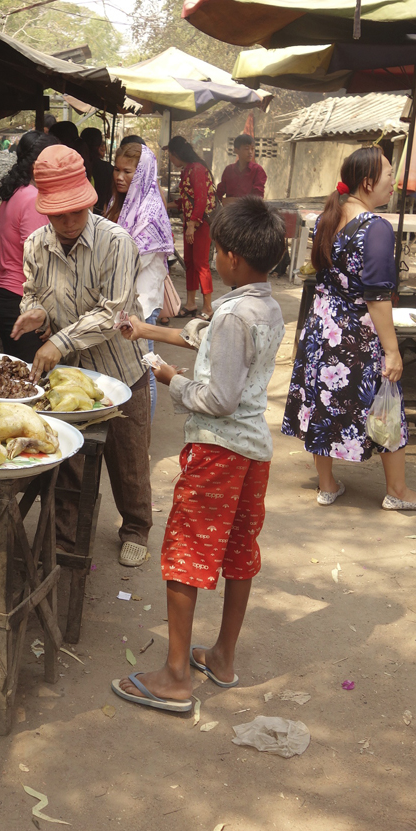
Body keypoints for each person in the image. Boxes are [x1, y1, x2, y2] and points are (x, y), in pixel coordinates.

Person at [110, 198, 287, 710]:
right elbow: (206, 340)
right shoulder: (264, 305)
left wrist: (171, 379)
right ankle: (222, 657)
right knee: (237, 552)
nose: (207, 258)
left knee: (186, 553)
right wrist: (145, 331)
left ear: (231, 257)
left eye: (214, 250)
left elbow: (218, 397)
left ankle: (175, 675)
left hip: (218, 451)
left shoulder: (233, 315)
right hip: (253, 452)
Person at [11, 144, 153, 567]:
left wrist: (59, 341)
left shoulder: (117, 242)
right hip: (66, 379)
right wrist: (34, 313)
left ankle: (136, 527)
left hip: (120, 371)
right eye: (58, 215)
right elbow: (32, 292)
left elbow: (113, 312)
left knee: (128, 459)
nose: (68, 222)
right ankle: (65, 536)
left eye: (75, 212)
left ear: (89, 199)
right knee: (68, 459)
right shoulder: (36, 244)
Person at [282, 147, 416, 511]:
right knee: (388, 402)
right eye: (387, 175)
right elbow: (377, 297)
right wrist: (392, 350)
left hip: (322, 329)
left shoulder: (328, 217)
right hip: (356, 334)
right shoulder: (376, 228)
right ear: (367, 183)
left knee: (323, 399)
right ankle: (397, 491)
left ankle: (327, 484)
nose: (393, 183)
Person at [106, 141, 174, 418]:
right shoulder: (119, 204)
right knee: (127, 366)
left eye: (128, 171)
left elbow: (134, 261)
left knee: (146, 366)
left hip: (143, 305)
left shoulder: (151, 212)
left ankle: (143, 429)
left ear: (143, 173)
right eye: (117, 170)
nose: (120, 177)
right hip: (121, 301)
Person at [0, 131, 55, 363]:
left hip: (5, 294)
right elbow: (38, 261)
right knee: (33, 378)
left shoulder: (15, 193)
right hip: (21, 298)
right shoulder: (33, 198)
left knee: (21, 374)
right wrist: (47, 313)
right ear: (38, 165)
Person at [166, 135, 216, 321]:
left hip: (200, 225)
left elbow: (201, 200)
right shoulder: (188, 169)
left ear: (176, 153)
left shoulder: (196, 169)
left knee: (201, 264)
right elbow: (188, 200)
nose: (170, 160)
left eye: (170, 155)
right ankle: (191, 303)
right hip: (191, 224)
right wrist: (169, 205)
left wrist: (192, 225)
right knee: (190, 263)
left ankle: (208, 307)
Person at [217, 134, 266, 201]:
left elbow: (258, 197)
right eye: (246, 149)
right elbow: (219, 192)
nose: (250, 152)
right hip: (230, 210)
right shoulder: (229, 170)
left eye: (252, 149)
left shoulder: (257, 170)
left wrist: (234, 201)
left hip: (249, 210)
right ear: (236, 150)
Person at [80, 125, 114, 214]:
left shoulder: (77, 166)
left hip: (80, 213)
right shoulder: (107, 168)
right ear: (99, 146)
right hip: (100, 214)